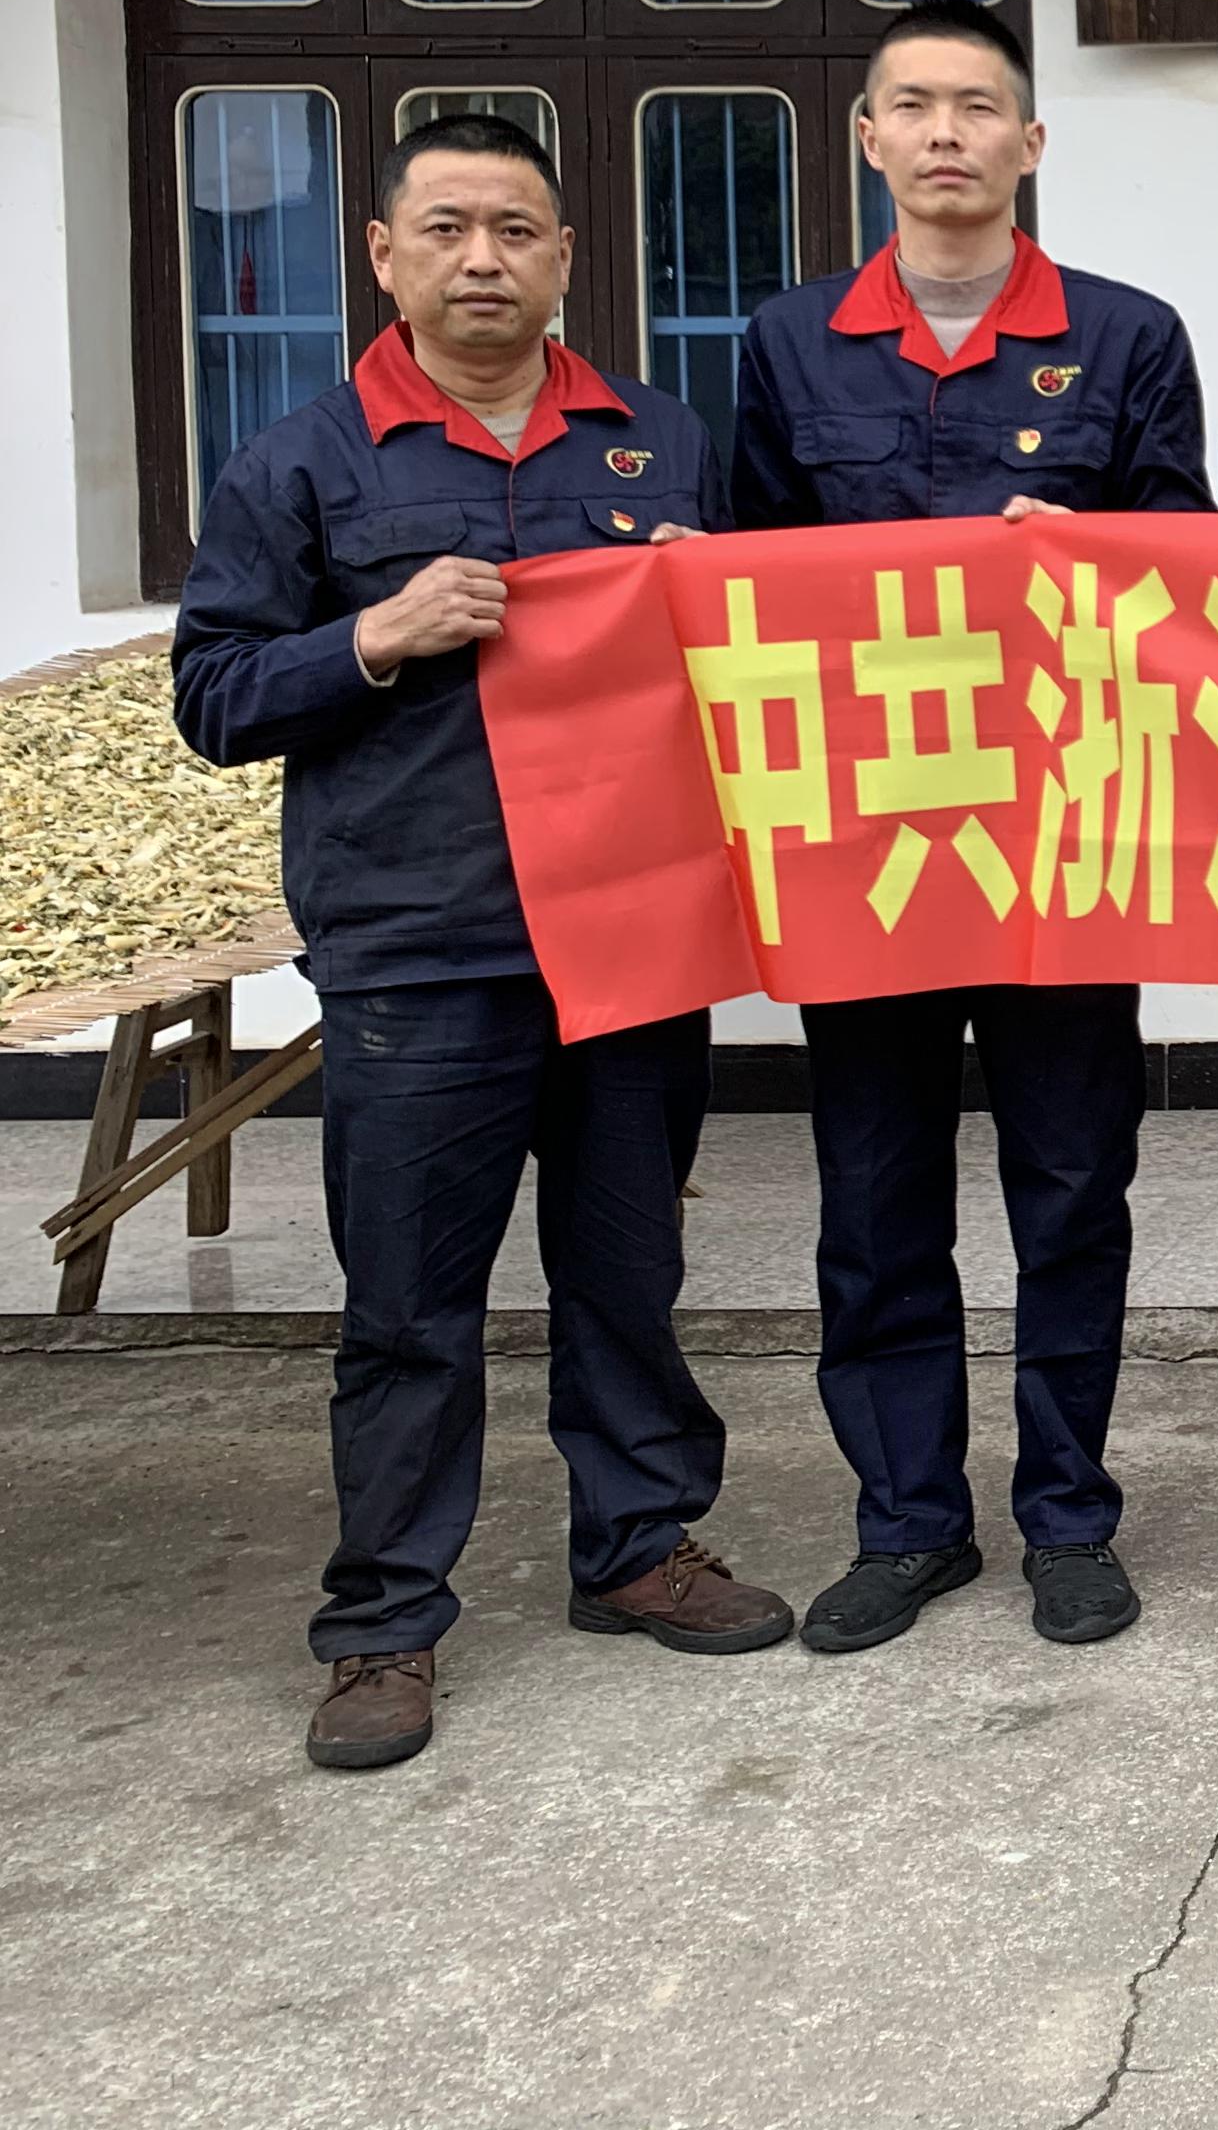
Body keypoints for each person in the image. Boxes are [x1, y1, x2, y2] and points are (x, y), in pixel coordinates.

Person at [174, 110, 790, 1772]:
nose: (482, 260)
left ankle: (637, 1546)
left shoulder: (658, 441)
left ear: (566, 256)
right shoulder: (303, 461)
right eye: (445, 228)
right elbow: (212, 697)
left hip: (634, 936)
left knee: (628, 1273)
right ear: (384, 255)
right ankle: (384, 1622)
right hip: (420, 948)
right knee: (410, 1306)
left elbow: (751, 668)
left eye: (516, 230)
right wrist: (371, 637)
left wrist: (719, 600)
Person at [730, 0, 1212, 1657]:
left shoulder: (1128, 337)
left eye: (979, 107)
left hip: (1064, 840)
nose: (948, 134)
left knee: (1072, 1189)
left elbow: (1193, 572)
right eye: (916, 106)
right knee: (875, 1201)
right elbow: (747, 583)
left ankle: (1070, 1516)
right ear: (867, 137)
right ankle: (909, 1524)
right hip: (866, 845)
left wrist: (1081, 554)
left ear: (1031, 142)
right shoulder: (791, 341)